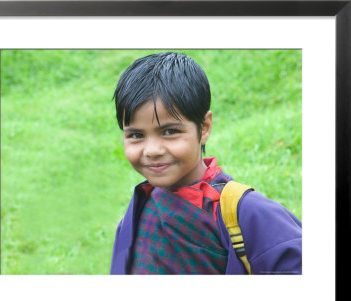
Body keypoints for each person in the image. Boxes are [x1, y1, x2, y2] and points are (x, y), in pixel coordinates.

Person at [110, 52, 302, 275]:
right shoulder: (140, 207)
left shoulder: (245, 213)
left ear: (204, 127)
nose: (152, 150)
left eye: (170, 132)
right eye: (135, 135)